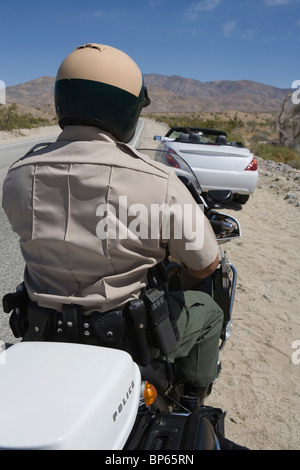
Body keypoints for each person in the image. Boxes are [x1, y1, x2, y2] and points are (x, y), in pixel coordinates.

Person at [2, 43, 223, 404]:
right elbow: (207, 263)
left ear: (64, 101)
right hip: (125, 335)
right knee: (209, 311)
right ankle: (192, 400)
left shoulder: (18, 174)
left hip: (42, 329)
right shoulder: (159, 181)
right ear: (127, 110)